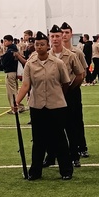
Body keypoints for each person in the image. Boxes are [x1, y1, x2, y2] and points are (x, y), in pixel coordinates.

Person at [14, 31, 73, 180]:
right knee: (38, 140)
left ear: (48, 46)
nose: (39, 47)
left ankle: (66, 171)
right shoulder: (30, 64)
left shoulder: (57, 63)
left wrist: (59, 96)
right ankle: (35, 171)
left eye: (42, 44)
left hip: (56, 106)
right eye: (37, 44)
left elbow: (65, 83)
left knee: (59, 138)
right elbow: (26, 85)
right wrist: (17, 101)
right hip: (37, 106)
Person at [44, 25, 85, 168]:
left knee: (71, 127)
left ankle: (74, 156)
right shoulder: (45, 55)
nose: (55, 39)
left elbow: (80, 75)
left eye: (57, 36)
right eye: (52, 36)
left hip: (68, 96)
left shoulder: (71, 55)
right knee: (50, 128)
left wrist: (70, 89)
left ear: (63, 37)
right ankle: (51, 156)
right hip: (51, 96)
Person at [61, 22, 89, 157]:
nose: (64, 35)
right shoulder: (54, 52)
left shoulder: (77, 52)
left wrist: (72, 87)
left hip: (73, 90)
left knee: (77, 119)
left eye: (67, 32)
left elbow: (83, 72)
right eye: (63, 33)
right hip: (58, 92)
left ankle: (81, 146)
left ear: (71, 34)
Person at [2, 34, 24, 111]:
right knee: (15, 89)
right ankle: (19, 106)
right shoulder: (15, 49)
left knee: (11, 91)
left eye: (5, 41)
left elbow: (4, 62)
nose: (4, 43)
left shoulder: (9, 51)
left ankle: (16, 107)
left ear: (10, 41)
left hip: (10, 72)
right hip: (15, 71)